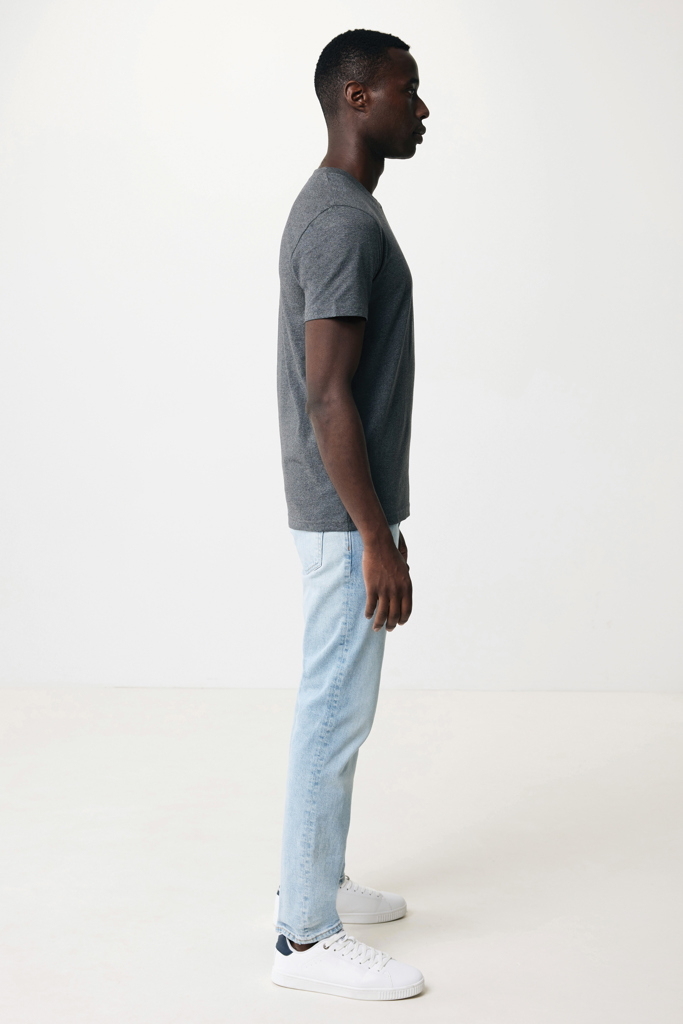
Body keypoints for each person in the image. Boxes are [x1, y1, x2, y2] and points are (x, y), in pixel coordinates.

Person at [272, 28, 429, 1001]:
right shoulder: (339, 221)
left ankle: (318, 877)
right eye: (408, 90)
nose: (422, 109)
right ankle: (302, 937)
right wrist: (375, 535)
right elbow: (327, 394)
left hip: (345, 511)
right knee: (330, 714)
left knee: (341, 707)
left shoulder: (344, 209)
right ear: (357, 97)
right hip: (342, 517)